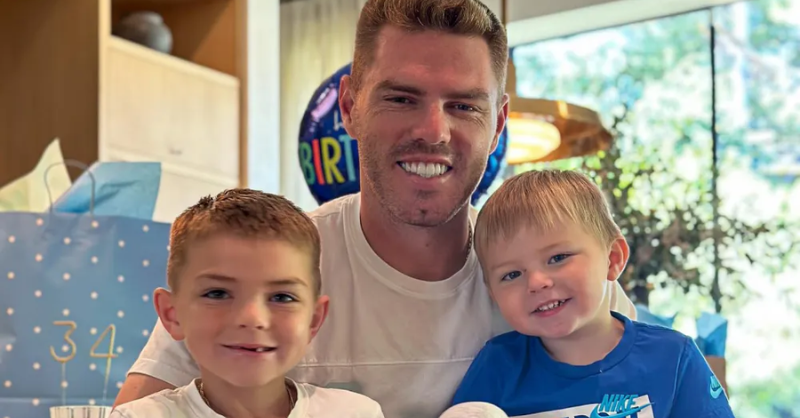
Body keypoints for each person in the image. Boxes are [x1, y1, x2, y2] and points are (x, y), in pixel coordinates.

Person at [115, 1, 636, 417]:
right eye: (402, 99)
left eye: (463, 106)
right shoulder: (265, 268)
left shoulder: (564, 280)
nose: (434, 131)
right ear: (349, 106)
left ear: (498, 124)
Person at [451, 170, 735, 418]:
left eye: (558, 258)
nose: (536, 282)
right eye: (511, 274)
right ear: (492, 292)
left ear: (612, 259)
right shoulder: (497, 367)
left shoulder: (673, 357)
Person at [110, 190, 384, 418]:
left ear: (313, 320)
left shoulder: (355, 414)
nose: (252, 317)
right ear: (172, 314)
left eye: (281, 297)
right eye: (218, 293)